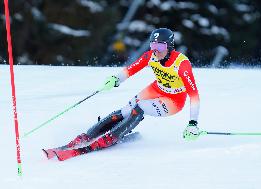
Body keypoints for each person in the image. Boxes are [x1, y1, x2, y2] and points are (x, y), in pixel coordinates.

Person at [65, 28, 200, 152]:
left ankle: (111, 138)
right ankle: (89, 135)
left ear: (169, 46)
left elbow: (194, 96)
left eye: (160, 46)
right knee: (126, 110)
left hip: (174, 100)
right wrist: (115, 79)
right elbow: (131, 70)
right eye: (153, 45)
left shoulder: (182, 64)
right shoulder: (151, 56)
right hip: (156, 89)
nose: (156, 50)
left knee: (140, 107)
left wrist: (192, 123)